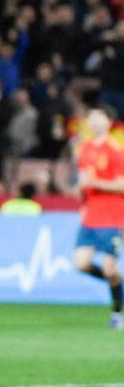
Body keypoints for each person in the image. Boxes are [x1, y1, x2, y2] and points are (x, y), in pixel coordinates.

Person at [72, 105, 124, 330]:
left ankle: (117, 313)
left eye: (98, 118)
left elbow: (122, 184)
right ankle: (119, 285)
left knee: (110, 268)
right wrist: (82, 199)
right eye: (91, 118)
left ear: (109, 121)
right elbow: (84, 183)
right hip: (90, 216)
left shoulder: (116, 150)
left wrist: (96, 183)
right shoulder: (84, 149)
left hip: (112, 217)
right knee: (81, 263)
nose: (93, 122)